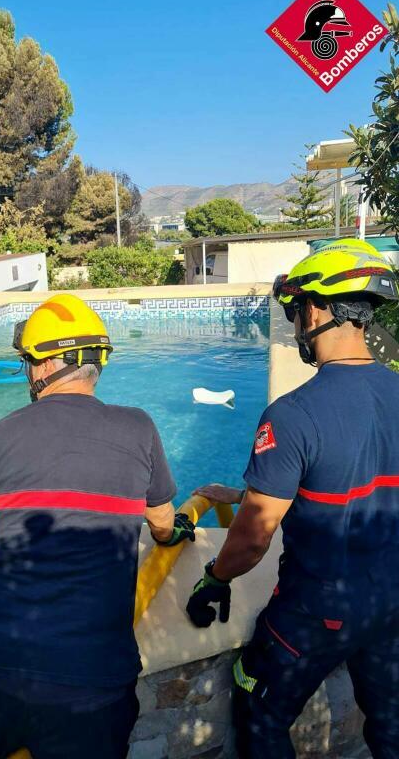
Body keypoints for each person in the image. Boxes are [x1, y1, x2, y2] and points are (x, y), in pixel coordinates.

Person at [0, 294, 196, 759]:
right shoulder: (138, 428)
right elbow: (162, 522)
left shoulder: (4, 431)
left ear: (48, 366)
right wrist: (172, 534)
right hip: (92, 677)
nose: (27, 372)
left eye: (28, 362)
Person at [185, 238, 399, 759]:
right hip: (391, 603)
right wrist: (248, 491)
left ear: (321, 309)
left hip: (317, 611)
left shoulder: (292, 415)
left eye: (296, 309)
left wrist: (215, 577)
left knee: (259, 709)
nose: (296, 324)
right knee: (391, 727)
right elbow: (355, 477)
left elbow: (253, 538)